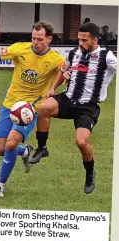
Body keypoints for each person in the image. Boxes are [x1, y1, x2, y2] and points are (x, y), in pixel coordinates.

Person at [29, 22, 117, 194]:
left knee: (81, 142)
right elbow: (63, 71)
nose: (81, 44)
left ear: (95, 39)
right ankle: (42, 148)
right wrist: (54, 87)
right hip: (69, 99)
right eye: (79, 40)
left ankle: (90, 172)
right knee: (44, 107)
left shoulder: (107, 57)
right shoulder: (74, 53)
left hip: (88, 107)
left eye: (84, 40)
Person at [0, 21, 65, 197]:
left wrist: (54, 87)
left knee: (10, 143)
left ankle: (0, 184)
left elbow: (63, 72)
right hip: (10, 103)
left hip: (30, 108)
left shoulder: (56, 59)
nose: (35, 42)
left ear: (49, 39)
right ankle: (25, 151)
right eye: (33, 38)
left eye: (40, 39)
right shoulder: (20, 49)